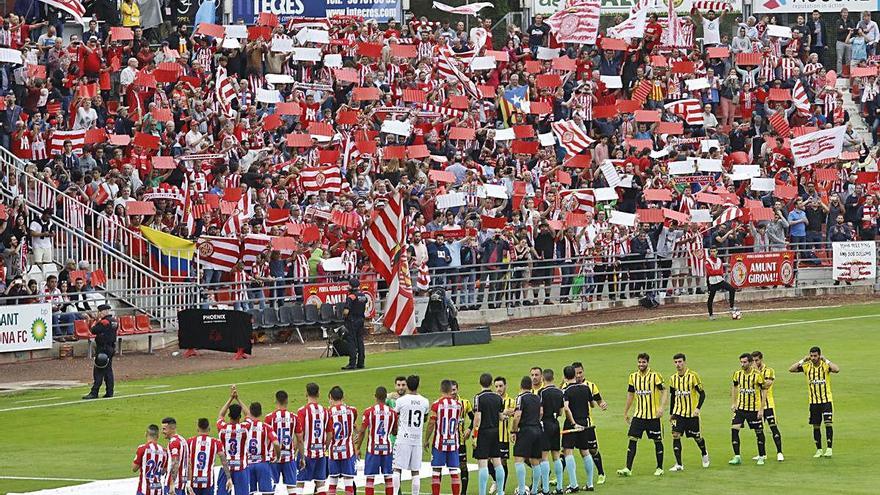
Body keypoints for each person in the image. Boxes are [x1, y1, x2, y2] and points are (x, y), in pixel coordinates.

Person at [617, 353, 667, 477]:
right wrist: (626, 411)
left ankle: (660, 467)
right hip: (639, 415)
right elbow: (630, 394)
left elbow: (664, 391)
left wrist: (661, 407)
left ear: (648, 363)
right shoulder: (633, 377)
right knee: (632, 439)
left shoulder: (655, 376)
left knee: (657, 440)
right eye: (639, 362)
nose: (641, 364)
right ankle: (628, 468)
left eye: (643, 362)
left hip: (653, 416)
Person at [789, 347, 840, 458]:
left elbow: (836, 369)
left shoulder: (825, 366)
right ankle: (819, 450)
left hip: (826, 401)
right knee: (816, 426)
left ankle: (829, 449)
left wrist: (826, 360)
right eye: (811, 356)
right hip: (813, 402)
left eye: (815, 356)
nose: (813, 358)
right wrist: (803, 360)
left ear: (819, 355)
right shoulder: (807, 367)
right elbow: (791, 369)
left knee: (828, 423)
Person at [667, 354, 710, 472]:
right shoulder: (673, 378)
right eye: (675, 362)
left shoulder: (693, 376)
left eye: (680, 362)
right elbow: (673, 396)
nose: (678, 364)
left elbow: (702, 394)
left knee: (697, 437)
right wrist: (671, 413)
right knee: (675, 435)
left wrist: (698, 408)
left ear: (684, 362)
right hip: (678, 413)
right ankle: (679, 464)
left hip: (691, 414)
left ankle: (704, 453)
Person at [425, 379, 464, 495]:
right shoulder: (458, 405)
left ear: (441, 389)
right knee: (453, 471)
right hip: (453, 442)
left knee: (436, 470)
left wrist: (426, 439)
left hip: (439, 443)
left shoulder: (437, 405)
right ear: (450, 390)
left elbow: (431, 423)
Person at [356, 386, 398, 495]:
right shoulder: (393, 413)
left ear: (375, 396)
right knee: (388, 478)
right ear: (386, 397)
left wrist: (358, 448)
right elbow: (395, 431)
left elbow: (362, 431)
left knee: (370, 479)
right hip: (387, 449)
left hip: (373, 449)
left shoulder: (369, 411)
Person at [561, 365, 596, 491]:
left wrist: (573, 423)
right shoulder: (586, 388)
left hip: (573, 424)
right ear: (575, 375)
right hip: (585, 422)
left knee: (568, 451)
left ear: (565, 377)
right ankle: (590, 483)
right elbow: (592, 404)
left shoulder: (566, 391)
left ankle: (574, 484)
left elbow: (566, 407)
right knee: (585, 451)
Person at [393, 375, 430, 495]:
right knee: (415, 471)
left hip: (403, 439)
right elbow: (424, 418)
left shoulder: (400, 401)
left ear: (407, 385)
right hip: (417, 440)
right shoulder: (425, 401)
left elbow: (395, 416)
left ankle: (394, 493)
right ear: (418, 385)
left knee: (397, 469)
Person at [571, 362, 607, 484]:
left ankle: (601, 473)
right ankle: (557, 477)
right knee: (565, 450)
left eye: (581, 372)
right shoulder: (567, 386)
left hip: (588, 424)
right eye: (576, 373)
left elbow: (599, 400)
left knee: (592, 450)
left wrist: (602, 404)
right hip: (572, 424)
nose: (579, 375)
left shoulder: (591, 386)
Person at [729, 353, 768, 466]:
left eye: (745, 362)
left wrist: (761, 409)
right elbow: (735, 387)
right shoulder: (737, 374)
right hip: (740, 409)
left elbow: (764, 390)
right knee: (734, 429)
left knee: (759, 432)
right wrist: (734, 402)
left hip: (753, 409)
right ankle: (737, 456)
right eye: (741, 362)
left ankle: (761, 456)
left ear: (750, 363)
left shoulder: (757, 375)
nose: (742, 364)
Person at [472, 373, 506, 495]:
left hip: (483, 432)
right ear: (491, 383)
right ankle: (501, 491)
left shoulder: (478, 397)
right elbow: (501, 417)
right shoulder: (498, 398)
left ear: (480, 383)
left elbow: (478, 418)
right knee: (497, 461)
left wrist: (474, 435)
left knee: (482, 463)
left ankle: (482, 492)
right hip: (495, 432)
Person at [216, 386, 252, 495]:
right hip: (241, 467)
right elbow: (249, 414)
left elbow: (220, 415)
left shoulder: (222, 427)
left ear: (229, 415)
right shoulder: (244, 428)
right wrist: (238, 398)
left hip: (226, 467)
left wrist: (230, 398)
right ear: (240, 417)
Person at [511, 376, 543, 495]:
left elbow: (517, 416)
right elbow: (541, 412)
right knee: (535, 461)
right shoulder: (537, 397)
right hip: (537, 430)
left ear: (521, 386)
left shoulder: (520, 398)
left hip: (526, 430)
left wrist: (513, 431)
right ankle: (534, 490)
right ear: (530, 386)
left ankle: (521, 490)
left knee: (519, 459)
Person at [296, 383, 330, 495]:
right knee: (320, 484)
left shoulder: (302, 411)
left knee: (300, 482)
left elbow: (299, 435)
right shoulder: (325, 411)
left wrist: (296, 450)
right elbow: (329, 433)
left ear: (306, 394)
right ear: (318, 393)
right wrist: (325, 448)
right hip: (320, 453)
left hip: (305, 452)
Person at [751, 351, 784, 462]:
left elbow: (766, 385)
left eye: (757, 360)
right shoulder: (751, 373)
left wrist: (756, 372)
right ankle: (762, 454)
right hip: (756, 406)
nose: (755, 362)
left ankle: (779, 452)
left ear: (761, 359)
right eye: (753, 360)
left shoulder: (769, 371)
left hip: (768, 404)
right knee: (758, 430)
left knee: (773, 427)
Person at [187, 417, 233, 495]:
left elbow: (187, 463)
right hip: (208, 482)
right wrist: (229, 477)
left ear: (197, 428)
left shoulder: (189, 442)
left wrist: (187, 482)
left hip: (193, 482)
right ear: (209, 428)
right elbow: (223, 460)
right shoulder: (216, 442)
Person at [537, 369, 565, 495]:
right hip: (556, 423)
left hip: (545, 424)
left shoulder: (541, 392)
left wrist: (538, 420)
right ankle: (559, 487)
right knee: (556, 456)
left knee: (544, 458)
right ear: (553, 378)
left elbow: (541, 411)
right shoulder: (560, 392)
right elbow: (560, 412)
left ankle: (546, 489)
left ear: (543, 378)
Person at [265, 390, 299, 493]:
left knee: (270, 488)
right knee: (292, 488)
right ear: (287, 400)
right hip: (289, 457)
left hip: (273, 458)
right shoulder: (294, 417)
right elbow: (299, 439)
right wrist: (294, 450)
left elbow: (266, 440)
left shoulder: (269, 418)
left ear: (275, 400)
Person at [326, 386, 358, 495]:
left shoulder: (327, 413)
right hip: (348, 452)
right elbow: (353, 425)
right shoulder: (352, 411)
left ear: (330, 397)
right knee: (349, 482)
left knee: (332, 483)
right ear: (343, 396)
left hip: (333, 452)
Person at [82, 304, 117, 400]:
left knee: (98, 371)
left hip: (103, 348)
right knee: (108, 370)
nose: (99, 314)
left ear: (103, 311)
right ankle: (110, 391)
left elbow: (93, 330)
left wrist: (96, 320)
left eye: (99, 312)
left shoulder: (104, 322)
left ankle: (94, 392)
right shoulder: (114, 321)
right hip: (111, 347)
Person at [246, 401, 281, 495]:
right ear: (261, 413)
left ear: (250, 412)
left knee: (249, 492)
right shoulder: (266, 427)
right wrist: (278, 456)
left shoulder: (244, 427)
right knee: (268, 493)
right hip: (263, 464)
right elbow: (276, 443)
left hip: (248, 464)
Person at [490, 377, 515, 495]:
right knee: (489, 461)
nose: (498, 389)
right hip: (492, 436)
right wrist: (505, 412)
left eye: (500, 386)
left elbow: (514, 412)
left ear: (505, 386)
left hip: (504, 437)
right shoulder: (492, 400)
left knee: (503, 462)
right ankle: (496, 480)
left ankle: (502, 489)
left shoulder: (511, 401)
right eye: (496, 386)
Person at [451, 380, 474, 494]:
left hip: (460, 442)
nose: (452, 392)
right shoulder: (443, 404)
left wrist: (469, 429)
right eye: (450, 390)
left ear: (457, 389)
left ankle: (463, 492)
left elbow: (473, 418)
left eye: (454, 390)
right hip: (446, 442)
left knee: (463, 466)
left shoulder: (465, 403)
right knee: (440, 468)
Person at [132, 424, 169, 495]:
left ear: (146, 434)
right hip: (158, 491)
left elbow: (134, 468)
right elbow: (163, 471)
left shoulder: (142, 448)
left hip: (144, 490)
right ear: (158, 436)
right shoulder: (164, 451)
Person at [342, 277, 368, 370]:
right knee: (360, 341)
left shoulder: (351, 297)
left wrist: (343, 317)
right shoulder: (363, 296)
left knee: (352, 341)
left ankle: (352, 363)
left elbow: (346, 311)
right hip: (361, 319)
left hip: (352, 321)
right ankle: (361, 362)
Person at [705, 247, 738, 320]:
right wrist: (717, 272)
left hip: (720, 280)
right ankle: (711, 315)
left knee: (732, 289)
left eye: (714, 251)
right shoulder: (707, 261)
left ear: (717, 252)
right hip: (712, 282)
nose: (713, 253)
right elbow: (710, 272)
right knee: (710, 299)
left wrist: (716, 271)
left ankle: (731, 306)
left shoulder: (719, 260)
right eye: (711, 251)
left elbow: (721, 271)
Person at [161, 417, 190, 495]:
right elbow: (188, 462)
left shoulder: (174, 442)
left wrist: (171, 484)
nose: (162, 432)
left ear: (171, 428)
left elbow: (175, 462)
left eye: (164, 429)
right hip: (182, 483)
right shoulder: (183, 440)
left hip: (174, 485)